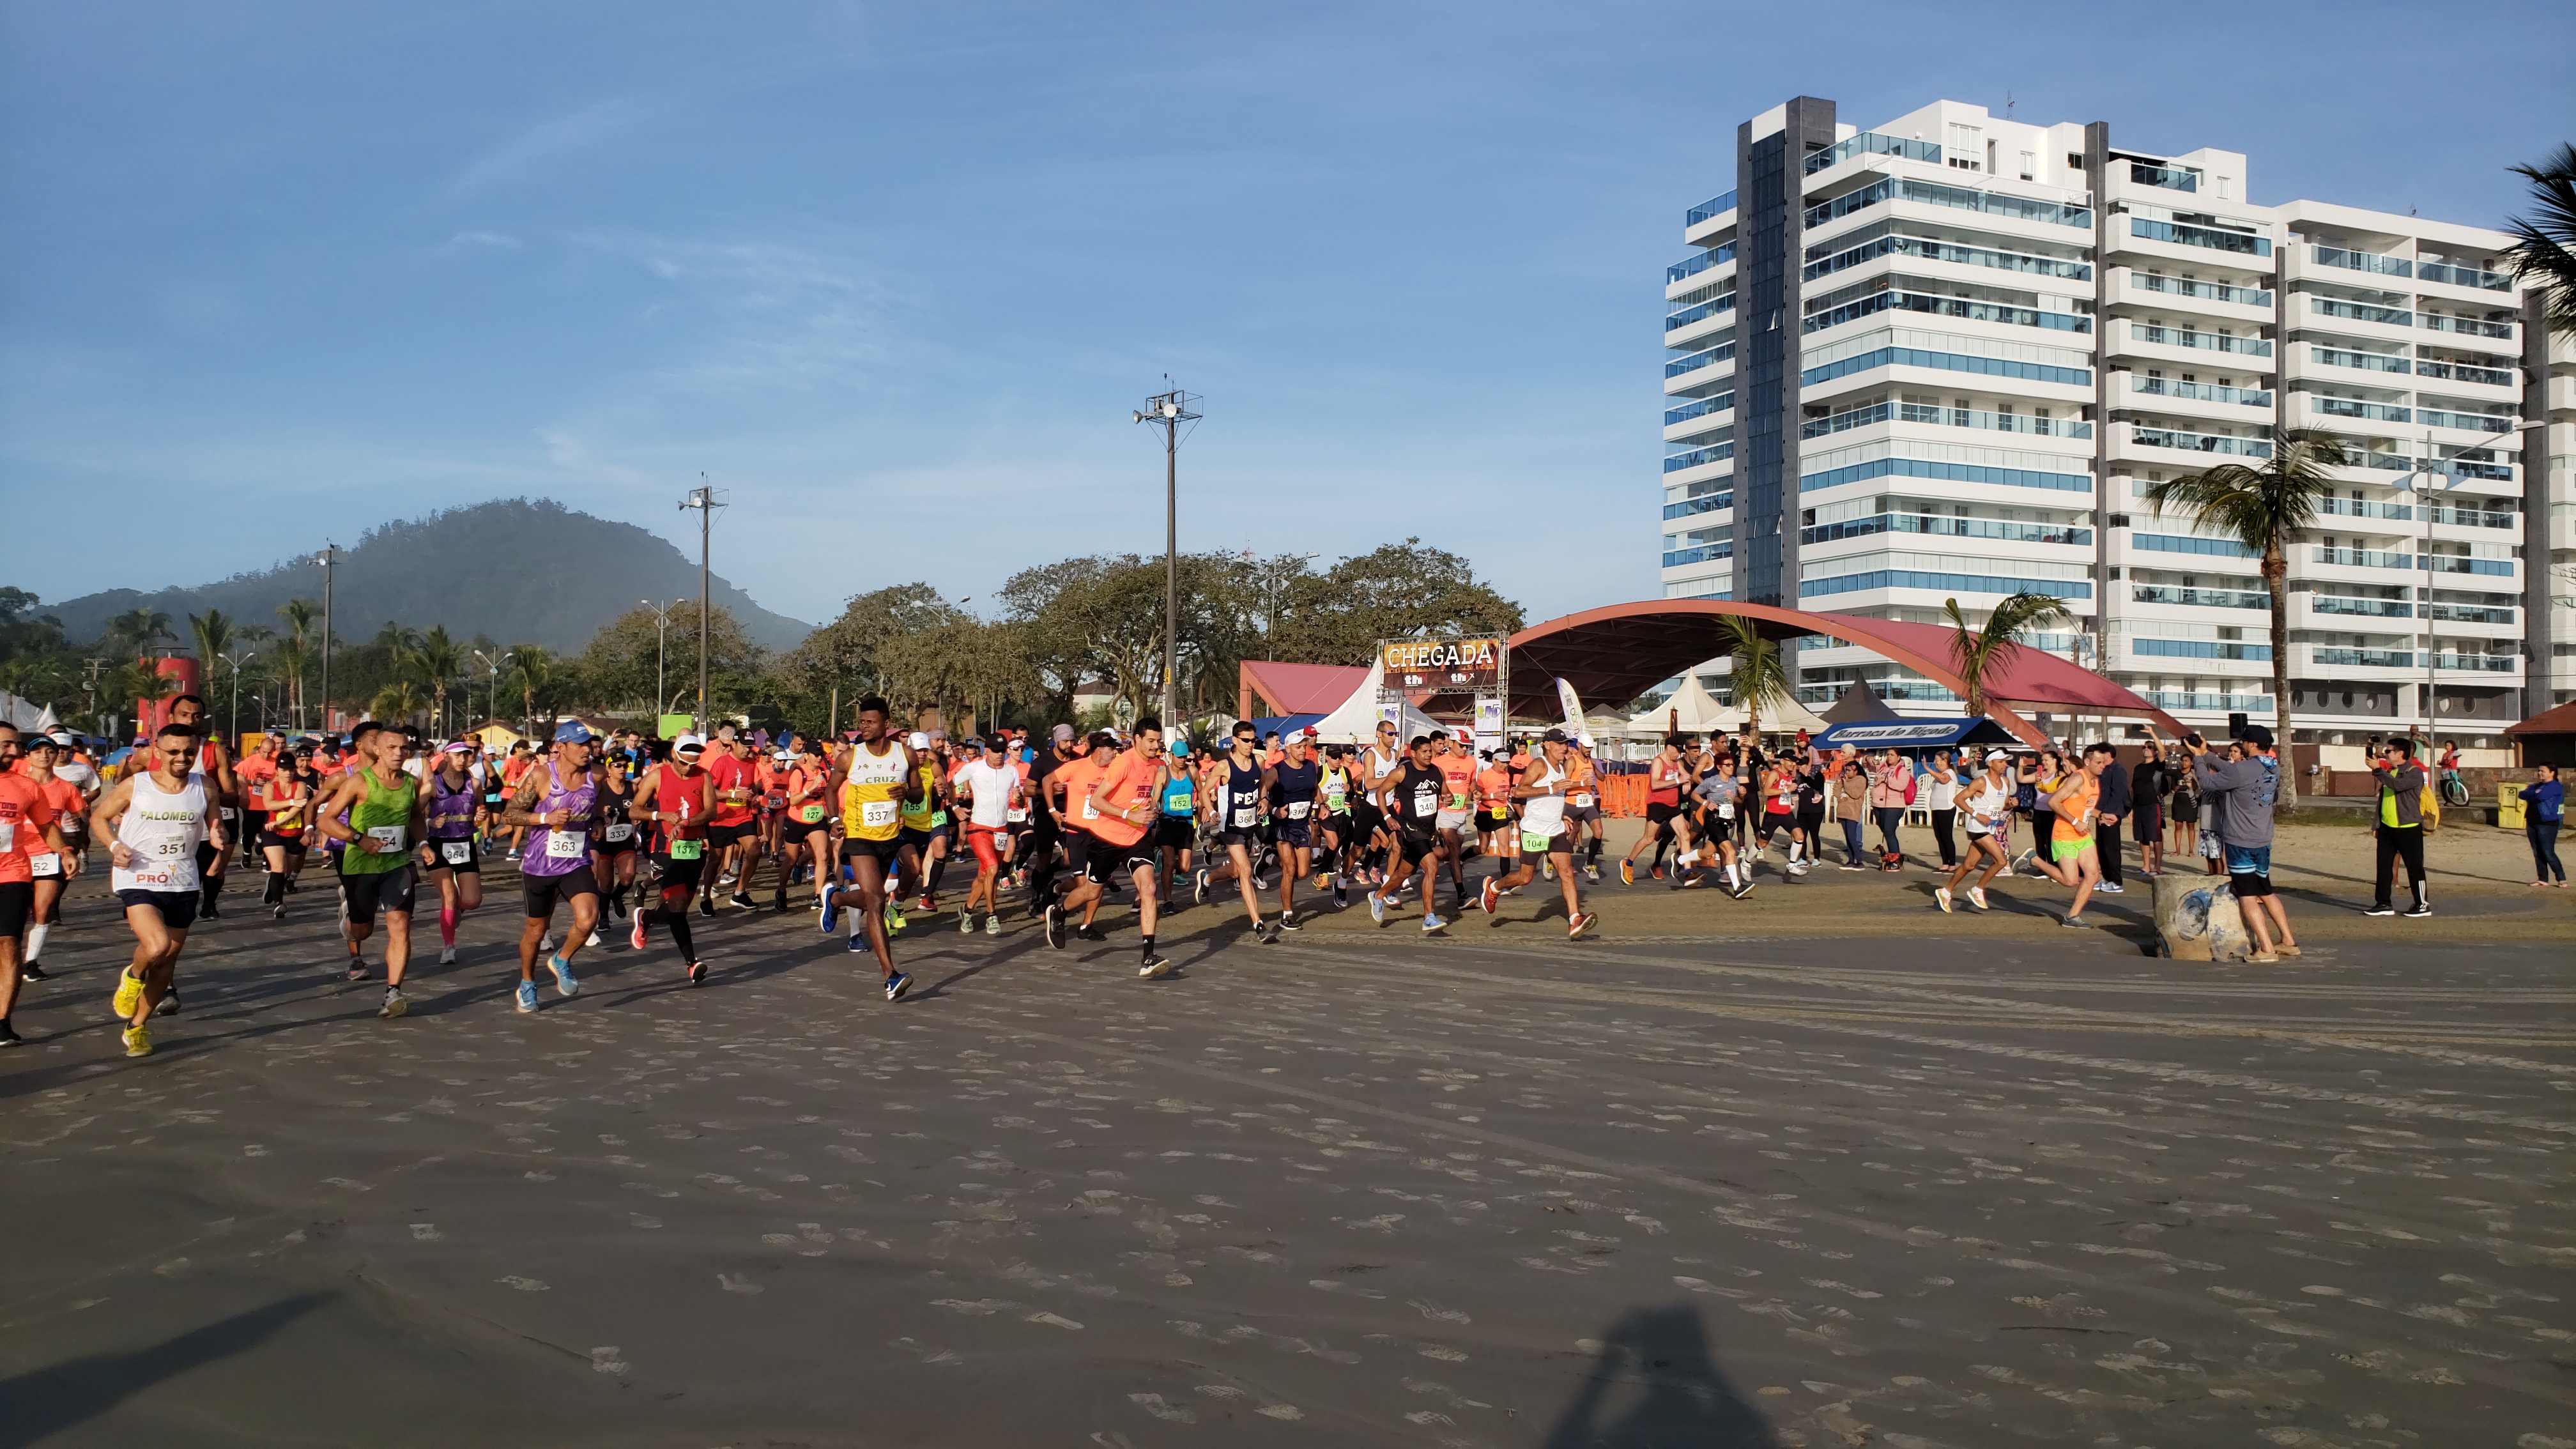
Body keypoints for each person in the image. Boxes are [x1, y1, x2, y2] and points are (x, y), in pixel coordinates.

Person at [93, 721, 226, 1057]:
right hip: (138, 875)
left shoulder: (205, 786)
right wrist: (113, 847)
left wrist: (218, 834)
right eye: (174, 751)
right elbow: (99, 818)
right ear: (157, 752)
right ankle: (133, 975)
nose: (182, 757)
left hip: (182, 879)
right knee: (157, 945)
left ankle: (136, 1027)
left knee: (166, 964)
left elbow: (215, 823)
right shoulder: (136, 785)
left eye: (189, 752)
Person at [313, 722, 429, 1016]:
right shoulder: (358, 782)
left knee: (400, 926)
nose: (399, 752)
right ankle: (350, 918)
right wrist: (359, 839)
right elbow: (325, 821)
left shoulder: (411, 783)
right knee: (362, 931)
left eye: (403, 747)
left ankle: (393, 993)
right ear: (376, 750)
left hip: (397, 864)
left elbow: (416, 817)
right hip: (361, 866)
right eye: (391, 747)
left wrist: (425, 843)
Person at [1055, 717, 1174, 977]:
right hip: (1107, 838)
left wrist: (1152, 809)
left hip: (1137, 838)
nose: (1156, 746)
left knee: (1149, 889)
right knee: (1089, 892)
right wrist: (1128, 815)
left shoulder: (1156, 765)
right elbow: (1097, 801)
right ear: (1137, 739)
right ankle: (1060, 912)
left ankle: (1148, 957)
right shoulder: (1123, 763)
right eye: (1151, 741)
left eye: (1158, 740)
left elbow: (1145, 798)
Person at [503, 722, 606, 1010]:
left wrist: (597, 821)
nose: (588, 750)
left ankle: (561, 959)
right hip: (539, 865)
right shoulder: (540, 776)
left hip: (576, 860)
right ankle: (527, 983)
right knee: (536, 931)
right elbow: (509, 815)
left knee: (589, 918)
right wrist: (545, 819)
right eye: (580, 745)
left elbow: (599, 803)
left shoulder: (596, 775)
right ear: (560, 748)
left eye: (589, 744)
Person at [819, 700, 917, 1000]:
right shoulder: (850, 757)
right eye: (861, 722)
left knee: (881, 895)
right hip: (859, 836)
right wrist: (835, 819)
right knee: (875, 900)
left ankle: (835, 898)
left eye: (870, 722)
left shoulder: (906, 754)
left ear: (887, 724)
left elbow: (917, 793)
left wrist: (906, 792)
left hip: (891, 835)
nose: (864, 726)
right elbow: (831, 789)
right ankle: (890, 976)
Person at [2182, 724, 2298, 961]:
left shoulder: (2242, 770)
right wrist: (2207, 754)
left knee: (2246, 895)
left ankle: (2266, 949)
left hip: (2241, 840)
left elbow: (2209, 782)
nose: (2242, 744)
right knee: (2265, 890)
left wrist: (2198, 758)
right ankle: (2288, 941)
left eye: (2244, 742)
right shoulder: (2273, 767)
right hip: (2263, 838)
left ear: (2252, 744)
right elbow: (2233, 771)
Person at [1477, 729, 1594, 938]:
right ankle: (1494, 887)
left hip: (1556, 830)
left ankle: (1575, 919)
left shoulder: (1562, 766)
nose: (1564, 748)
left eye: (1565, 744)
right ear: (1547, 745)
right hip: (1534, 830)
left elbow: (1557, 797)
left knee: (1566, 872)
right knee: (1525, 878)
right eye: (1559, 744)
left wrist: (1563, 815)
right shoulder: (1539, 765)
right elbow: (1519, 792)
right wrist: (1551, 788)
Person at [0, 724, 75, 1046]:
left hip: (12, 873)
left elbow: (47, 826)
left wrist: (66, 850)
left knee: (8, 945)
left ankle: (2, 1020)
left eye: (16, 745)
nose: (14, 752)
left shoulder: (27, 786)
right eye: (6, 745)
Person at [630, 734, 716, 984]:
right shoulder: (658, 775)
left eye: (694, 763)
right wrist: (662, 815)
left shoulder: (704, 776)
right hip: (665, 848)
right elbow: (635, 809)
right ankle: (692, 964)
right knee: (677, 904)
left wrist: (687, 822)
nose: (690, 768)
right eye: (685, 763)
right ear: (674, 757)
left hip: (694, 848)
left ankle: (646, 918)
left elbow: (711, 811)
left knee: (679, 909)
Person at [1198, 721, 1280, 942]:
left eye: (1253, 740)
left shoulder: (1259, 761)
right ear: (1235, 740)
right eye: (1246, 740)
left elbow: (1262, 783)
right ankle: (1259, 925)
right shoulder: (1224, 766)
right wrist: (1210, 810)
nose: (1250, 744)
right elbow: (1205, 791)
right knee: (1245, 870)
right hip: (1230, 827)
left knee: (1236, 871)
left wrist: (1263, 798)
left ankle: (1208, 878)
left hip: (1249, 825)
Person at [16, 733, 86, 984]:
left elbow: (82, 814)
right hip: (16, 855)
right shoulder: (15, 784)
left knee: (42, 910)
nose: (44, 756)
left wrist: (75, 825)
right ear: (29, 757)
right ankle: (11, 955)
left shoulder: (66, 788)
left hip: (49, 853)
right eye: (38, 752)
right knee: (15, 911)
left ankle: (30, 962)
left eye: (50, 751)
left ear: (57, 756)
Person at [1365, 734, 1452, 933]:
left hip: (1429, 829)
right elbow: (1380, 792)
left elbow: (1447, 794)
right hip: (1409, 828)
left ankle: (1378, 896)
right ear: (1413, 753)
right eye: (1424, 752)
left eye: (1430, 751)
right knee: (1431, 866)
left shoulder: (1438, 772)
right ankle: (1428, 917)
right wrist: (1388, 817)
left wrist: (1448, 799)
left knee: (1406, 872)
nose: (1429, 755)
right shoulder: (1402, 773)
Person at [955, 734, 1025, 934]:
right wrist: (954, 808)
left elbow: (1019, 801)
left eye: (1002, 751)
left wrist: (1020, 799)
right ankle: (991, 915)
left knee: (985, 874)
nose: (999, 754)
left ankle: (967, 910)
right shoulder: (974, 767)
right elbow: (951, 784)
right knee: (993, 868)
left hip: (1002, 829)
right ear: (986, 750)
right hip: (978, 828)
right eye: (995, 750)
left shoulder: (1012, 771)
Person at [422, 740, 484, 965]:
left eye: (465, 755)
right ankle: (449, 946)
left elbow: (481, 809)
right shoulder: (432, 785)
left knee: (473, 900)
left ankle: (457, 910)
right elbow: (413, 815)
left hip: (464, 844)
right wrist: (430, 820)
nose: (461, 759)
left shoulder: (475, 784)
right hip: (438, 844)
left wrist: (480, 819)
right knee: (448, 894)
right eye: (457, 755)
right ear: (446, 757)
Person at [1935, 749, 2015, 913]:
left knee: (1969, 865)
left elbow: (2004, 805)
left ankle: (1945, 891)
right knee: (2001, 861)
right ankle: (1978, 889)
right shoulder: (1981, 782)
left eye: (2006, 762)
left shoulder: (2006, 782)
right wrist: (1977, 814)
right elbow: (1958, 799)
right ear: (1990, 763)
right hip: (1977, 828)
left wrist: (2011, 804)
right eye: (2001, 762)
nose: (2005, 765)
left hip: (1990, 828)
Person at [2041, 743, 2112, 928]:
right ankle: (2034, 860)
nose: (2102, 765)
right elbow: (2053, 802)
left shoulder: (2095, 780)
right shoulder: (2077, 779)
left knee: (2093, 874)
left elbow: (2084, 807)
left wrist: (2101, 815)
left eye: (2104, 763)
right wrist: (2074, 822)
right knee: (2071, 880)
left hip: (2083, 836)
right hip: (2064, 834)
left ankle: (2072, 917)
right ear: (2087, 762)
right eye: (2098, 762)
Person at [2365, 738, 2431, 919]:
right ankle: (2383, 903)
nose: (2385, 754)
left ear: (2399, 753)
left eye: (2388, 751)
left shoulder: (2414, 772)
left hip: (2408, 827)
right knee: (2383, 866)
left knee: (2414, 867)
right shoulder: (2390, 772)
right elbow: (2384, 798)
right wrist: (2369, 747)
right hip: (2387, 827)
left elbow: (2398, 786)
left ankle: (2422, 904)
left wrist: (2378, 770)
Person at [775, 737, 834, 913]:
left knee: (823, 856)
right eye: (815, 755)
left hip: (816, 821)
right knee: (791, 860)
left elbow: (828, 795)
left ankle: (818, 896)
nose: (818, 758)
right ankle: (781, 891)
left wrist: (830, 812)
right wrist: (809, 789)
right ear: (806, 756)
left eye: (821, 755)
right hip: (796, 821)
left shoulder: (826, 773)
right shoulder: (798, 774)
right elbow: (793, 801)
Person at [256, 751, 315, 917]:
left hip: (294, 832)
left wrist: (280, 820)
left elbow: (300, 806)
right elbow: (269, 805)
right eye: (284, 770)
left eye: (291, 769)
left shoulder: (300, 786)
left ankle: (273, 887)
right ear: (277, 771)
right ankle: (279, 904)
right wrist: (290, 802)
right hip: (272, 832)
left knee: (287, 872)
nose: (288, 773)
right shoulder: (269, 787)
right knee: (278, 867)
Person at [590, 749, 645, 921]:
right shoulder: (600, 788)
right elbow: (590, 809)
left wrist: (638, 821)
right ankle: (604, 917)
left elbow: (640, 809)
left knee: (628, 876)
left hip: (625, 839)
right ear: (609, 768)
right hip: (604, 840)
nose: (622, 768)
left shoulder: (633, 787)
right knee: (605, 883)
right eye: (618, 765)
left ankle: (617, 895)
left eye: (625, 765)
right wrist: (601, 815)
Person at [1623, 738, 1687, 884]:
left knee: (1684, 835)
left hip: (1673, 805)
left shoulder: (1677, 763)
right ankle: (1629, 863)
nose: (1679, 755)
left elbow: (1686, 777)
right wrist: (1678, 782)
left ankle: (1688, 871)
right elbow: (1655, 783)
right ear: (1669, 748)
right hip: (1657, 804)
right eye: (1677, 751)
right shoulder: (1658, 761)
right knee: (1649, 839)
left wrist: (1686, 783)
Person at [2092, 741, 2129, 895]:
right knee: (2101, 846)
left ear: (2108, 755)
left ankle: (2116, 880)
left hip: (2111, 813)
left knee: (2111, 848)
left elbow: (2119, 793)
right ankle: (2108, 879)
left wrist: (2112, 813)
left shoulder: (2118, 770)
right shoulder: (2104, 769)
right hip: (2100, 812)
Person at [1866, 748, 1912, 870]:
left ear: (1898, 757)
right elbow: (1869, 765)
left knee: (1889, 831)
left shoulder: (1902, 771)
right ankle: (1891, 856)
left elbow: (1902, 785)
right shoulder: (1882, 767)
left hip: (1894, 805)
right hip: (1878, 804)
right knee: (1885, 830)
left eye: (1892, 755)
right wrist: (1868, 758)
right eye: (1888, 755)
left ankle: (1896, 860)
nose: (1890, 757)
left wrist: (1887, 780)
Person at [2520, 763, 2564, 887]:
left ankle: (2561, 878)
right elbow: (2522, 794)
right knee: (2537, 852)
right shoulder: (2536, 786)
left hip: (2547, 824)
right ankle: (2543, 878)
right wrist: (2533, 794)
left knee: (2548, 852)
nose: (2540, 773)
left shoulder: (2555, 786)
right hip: (2532, 822)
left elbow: (2542, 796)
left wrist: (2533, 795)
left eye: (2543, 771)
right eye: (2539, 771)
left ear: (2552, 773)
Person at [2130, 740, 2168, 878]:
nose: (2146, 749)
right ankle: (2146, 865)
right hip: (2139, 805)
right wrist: (2131, 809)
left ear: (2155, 751)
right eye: (2144, 747)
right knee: (2142, 836)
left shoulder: (2158, 765)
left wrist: (2152, 732)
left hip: (2153, 804)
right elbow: (2134, 788)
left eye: (2150, 747)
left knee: (2156, 836)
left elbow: (2163, 752)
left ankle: (2157, 866)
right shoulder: (2138, 768)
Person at [1922, 749, 1958, 868]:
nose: (1936, 763)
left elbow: (1944, 780)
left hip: (1946, 808)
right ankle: (1945, 863)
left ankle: (1952, 863)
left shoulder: (1950, 772)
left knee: (1947, 836)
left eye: (1938, 760)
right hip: (1936, 808)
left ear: (1945, 760)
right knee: (1939, 836)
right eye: (1935, 760)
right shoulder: (1938, 775)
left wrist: (1927, 768)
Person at [1833, 759, 1868, 869]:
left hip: (1852, 812)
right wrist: (1839, 783)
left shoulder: (1861, 779)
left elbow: (1856, 794)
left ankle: (1859, 861)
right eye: (1845, 770)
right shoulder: (1846, 780)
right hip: (1842, 811)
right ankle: (1851, 860)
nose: (1847, 772)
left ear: (1856, 771)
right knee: (1848, 838)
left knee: (1852, 837)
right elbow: (1837, 794)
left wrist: (1845, 783)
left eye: (1848, 770)